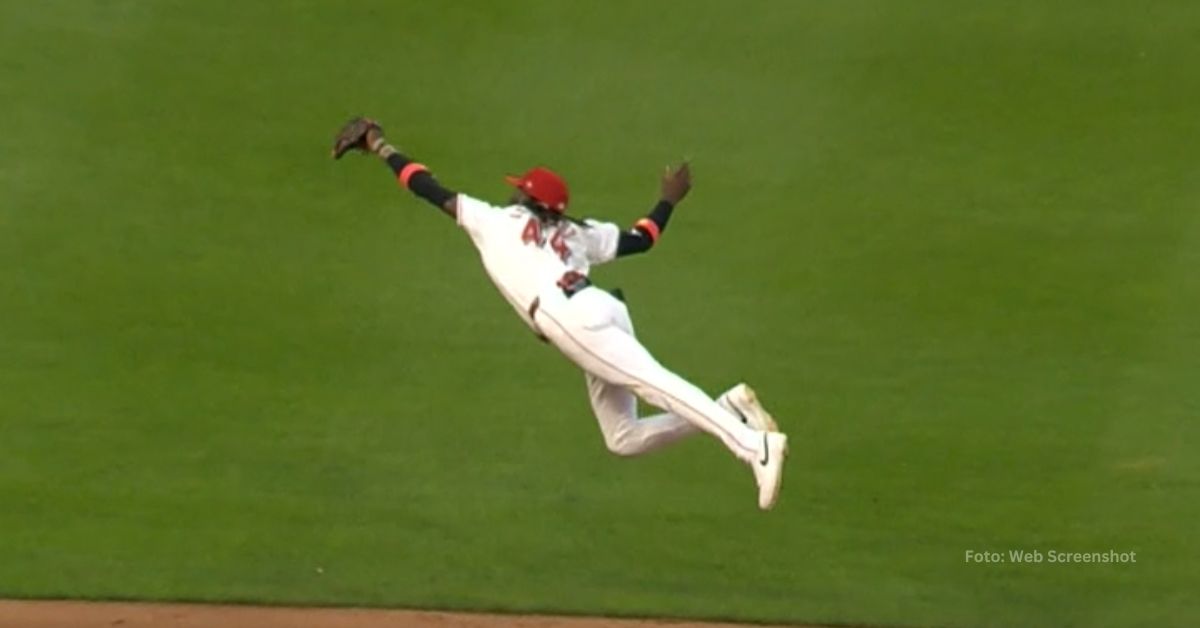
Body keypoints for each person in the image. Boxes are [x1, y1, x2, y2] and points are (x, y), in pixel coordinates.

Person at [331, 118, 789, 510]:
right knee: (623, 438)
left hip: (569, 317)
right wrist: (668, 199)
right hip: (598, 309)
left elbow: (425, 185)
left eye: (519, 192)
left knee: (657, 384)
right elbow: (642, 238)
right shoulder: (577, 232)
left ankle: (754, 446)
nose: (512, 197)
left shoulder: (493, 221)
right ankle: (729, 408)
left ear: (526, 201)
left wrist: (378, 145)